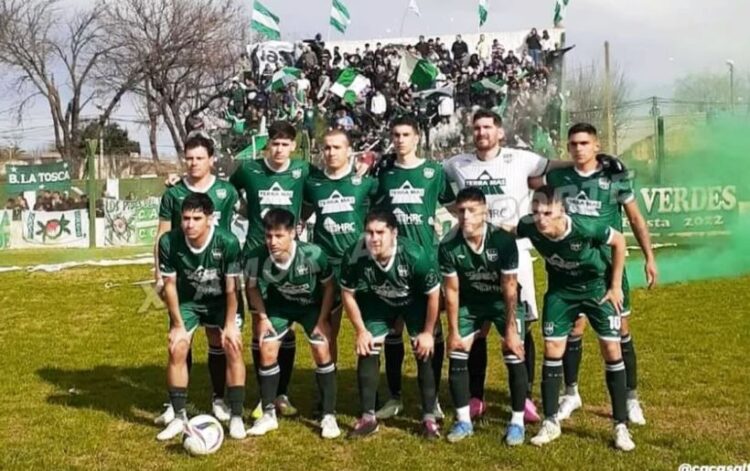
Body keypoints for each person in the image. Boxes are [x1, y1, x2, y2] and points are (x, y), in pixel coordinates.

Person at [536, 123, 657, 425]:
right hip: (570, 267)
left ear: (596, 145)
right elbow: (528, 178)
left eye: (584, 143)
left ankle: (630, 398)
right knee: (572, 330)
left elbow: (635, 218)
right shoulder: (559, 177)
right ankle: (571, 393)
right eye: (573, 144)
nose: (578, 149)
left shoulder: (614, 178)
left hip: (606, 267)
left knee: (620, 332)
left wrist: (649, 257)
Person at [509, 185, 635, 451]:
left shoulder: (585, 227)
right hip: (561, 293)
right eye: (535, 212)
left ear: (562, 211)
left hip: (596, 289)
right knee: (552, 349)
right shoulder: (530, 226)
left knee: (612, 349)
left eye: (547, 213)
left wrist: (615, 286)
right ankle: (550, 422)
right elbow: (510, 230)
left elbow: (619, 242)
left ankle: (620, 425)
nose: (540, 218)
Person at [154, 133, 240, 426]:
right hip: (184, 277)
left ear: (211, 160)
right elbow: (162, 234)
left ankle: (219, 398)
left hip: (217, 275)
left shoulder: (227, 192)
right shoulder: (173, 193)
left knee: (218, 338)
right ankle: (175, 404)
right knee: (180, 339)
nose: (193, 163)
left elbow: (236, 223)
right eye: (189, 158)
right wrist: (158, 274)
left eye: (199, 158)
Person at [372, 115, 455, 421]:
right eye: (396, 134)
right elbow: (373, 209)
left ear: (417, 137)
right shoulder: (385, 174)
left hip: (426, 261)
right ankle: (394, 397)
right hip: (391, 263)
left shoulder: (433, 172)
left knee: (430, 329)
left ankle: (432, 399)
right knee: (393, 329)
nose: (400, 140)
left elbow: (453, 205)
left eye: (406, 134)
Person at [230, 121, 310, 419]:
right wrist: (243, 210)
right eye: (274, 143)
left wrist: (301, 219)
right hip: (255, 255)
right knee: (260, 326)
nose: (279, 149)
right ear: (267, 145)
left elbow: (321, 192)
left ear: (293, 146)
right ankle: (264, 394)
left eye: (285, 144)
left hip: (288, 257)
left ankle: (282, 394)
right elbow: (226, 190)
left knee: (286, 325)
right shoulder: (249, 170)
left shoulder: (302, 170)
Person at [341, 208, 441, 439]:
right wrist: (361, 330)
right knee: (367, 347)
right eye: (369, 232)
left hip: (413, 302)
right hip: (379, 301)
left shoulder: (415, 254)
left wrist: (428, 332)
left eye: (380, 232)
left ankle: (429, 418)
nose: (374, 238)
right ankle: (368, 418)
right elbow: (347, 293)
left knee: (423, 348)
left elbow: (434, 294)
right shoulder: (354, 254)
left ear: (394, 233)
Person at [440, 188, 527, 445]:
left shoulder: (502, 240)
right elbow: (452, 291)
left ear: (485, 211)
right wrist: (453, 331)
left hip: (501, 303)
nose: (466, 216)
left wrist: (511, 330)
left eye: (472, 210)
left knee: (513, 351)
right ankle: (463, 421)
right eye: (461, 211)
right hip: (471, 303)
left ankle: (517, 422)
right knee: (458, 351)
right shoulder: (448, 245)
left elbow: (510, 286)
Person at [244, 208, 340, 438]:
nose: (273, 242)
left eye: (279, 236)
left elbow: (329, 287)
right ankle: (269, 414)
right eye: (268, 236)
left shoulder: (313, 254)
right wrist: (263, 317)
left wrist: (322, 320)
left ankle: (329, 416)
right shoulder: (256, 257)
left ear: (292, 233)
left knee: (321, 349)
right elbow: (252, 287)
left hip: (311, 307)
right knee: (267, 348)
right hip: (280, 307)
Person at [303, 129, 378, 364]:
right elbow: (301, 215)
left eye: (337, 147)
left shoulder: (365, 182)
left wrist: (371, 160)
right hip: (326, 266)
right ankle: (329, 382)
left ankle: (367, 385)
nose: (331, 152)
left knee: (368, 328)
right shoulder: (313, 184)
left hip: (359, 263)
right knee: (326, 330)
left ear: (349, 151)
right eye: (327, 147)